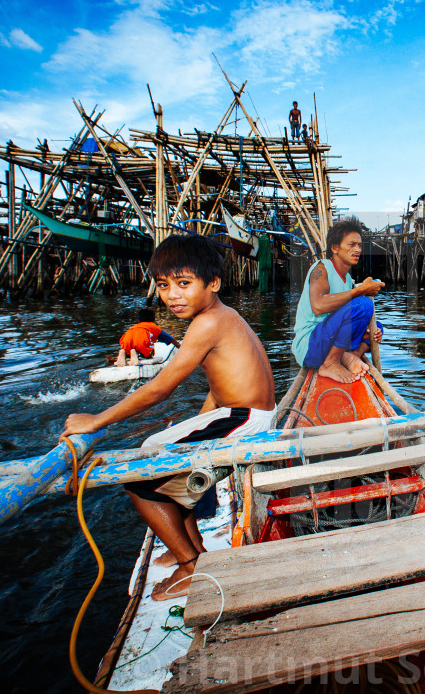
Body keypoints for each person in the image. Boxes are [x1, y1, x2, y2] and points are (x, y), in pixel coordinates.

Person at [62, 234, 276, 601]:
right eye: (163, 285)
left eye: (183, 284)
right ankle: (192, 547)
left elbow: (161, 388)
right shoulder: (224, 315)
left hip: (244, 418)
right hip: (244, 414)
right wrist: (196, 425)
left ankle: (191, 565)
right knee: (158, 448)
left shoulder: (208, 323)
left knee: (139, 475)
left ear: (213, 284)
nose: (172, 295)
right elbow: (221, 382)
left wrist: (96, 421)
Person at [292, 219, 384, 383]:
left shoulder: (347, 278)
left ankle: (351, 356)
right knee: (363, 304)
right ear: (334, 248)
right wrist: (361, 290)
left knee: (376, 325)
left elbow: (347, 317)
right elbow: (318, 306)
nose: (357, 249)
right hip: (310, 347)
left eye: (359, 245)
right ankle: (330, 363)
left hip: (328, 341)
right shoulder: (321, 268)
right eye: (351, 244)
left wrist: (370, 331)